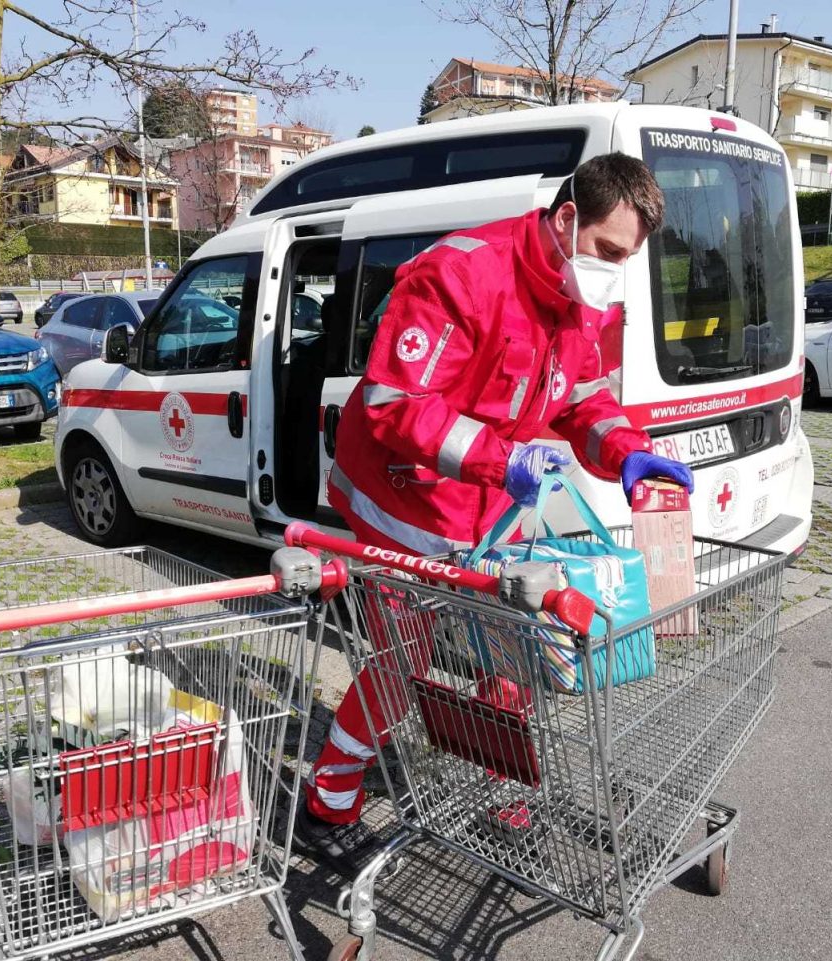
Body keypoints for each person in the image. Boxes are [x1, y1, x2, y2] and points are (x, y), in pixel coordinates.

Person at [296, 153, 694, 862]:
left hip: (489, 504)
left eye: (626, 257)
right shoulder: (462, 274)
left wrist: (625, 450)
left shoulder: (580, 297)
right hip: (399, 494)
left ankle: (502, 786)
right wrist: (502, 457)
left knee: (511, 644)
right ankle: (331, 788)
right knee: (403, 655)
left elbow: (582, 400)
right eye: (608, 250)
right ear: (567, 217)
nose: (613, 268)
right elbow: (395, 402)